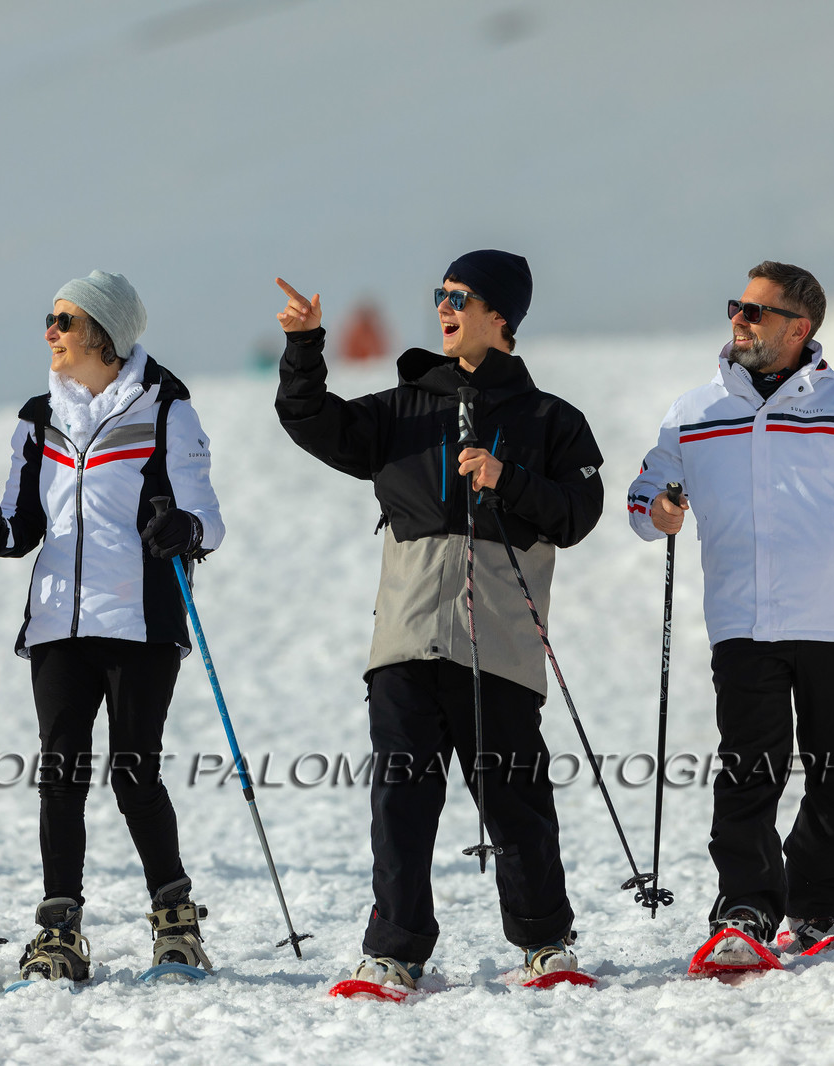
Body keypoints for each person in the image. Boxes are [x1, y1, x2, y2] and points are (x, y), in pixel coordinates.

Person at [274, 250, 606, 989]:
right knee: (401, 800)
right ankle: (393, 949)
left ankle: (546, 942)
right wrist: (304, 346)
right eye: (441, 293)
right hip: (407, 637)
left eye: (461, 296)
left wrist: (506, 476)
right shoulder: (401, 409)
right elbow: (309, 420)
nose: (444, 306)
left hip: (503, 644)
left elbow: (578, 514)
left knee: (516, 798)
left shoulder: (553, 421)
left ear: (501, 318)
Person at [626, 261, 834, 965]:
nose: (740, 320)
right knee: (749, 770)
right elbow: (644, 492)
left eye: (756, 311)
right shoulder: (693, 413)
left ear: (799, 328)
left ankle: (819, 908)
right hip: (742, 623)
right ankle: (747, 909)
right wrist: (659, 507)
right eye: (738, 306)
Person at [0, 270, 224, 982]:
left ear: (104, 333)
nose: (51, 331)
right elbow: (21, 523)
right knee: (59, 775)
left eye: (64, 321)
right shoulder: (38, 415)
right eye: (50, 319)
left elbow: (208, 520)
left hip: (140, 619)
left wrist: (182, 526)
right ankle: (59, 931)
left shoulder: (167, 409)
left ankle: (175, 924)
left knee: (134, 772)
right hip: (56, 623)